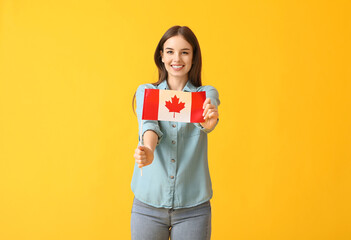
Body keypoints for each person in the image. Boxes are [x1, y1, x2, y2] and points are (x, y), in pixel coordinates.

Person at [131, 25, 220, 240]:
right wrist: (149, 150)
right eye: (170, 51)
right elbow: (150, 125)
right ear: (161, 56)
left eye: (184, 52)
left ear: (193, 57)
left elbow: (208, 120)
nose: (176, 58)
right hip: (147, 206)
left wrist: (209, 122)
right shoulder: (147, 92)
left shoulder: (205, 93)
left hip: (193, 209)